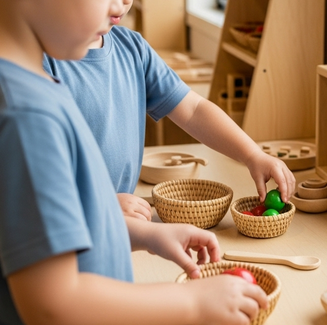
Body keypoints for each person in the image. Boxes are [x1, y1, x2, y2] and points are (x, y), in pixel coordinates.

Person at [0, 0, 267, 324]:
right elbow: (51, 307)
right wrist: (192, 303)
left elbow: (53, 227)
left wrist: (142, 235)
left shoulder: (36, 91)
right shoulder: (26, 115)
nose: (120, 3)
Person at [43, 0, 295, 222]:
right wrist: (98, 206)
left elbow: (194, 109)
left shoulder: (132, 48)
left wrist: (253, 155)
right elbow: (35, 176)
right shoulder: (39, 62)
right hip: (72, 222)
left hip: (123, 219)